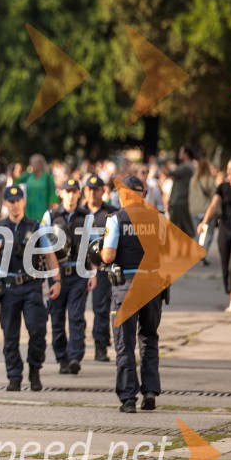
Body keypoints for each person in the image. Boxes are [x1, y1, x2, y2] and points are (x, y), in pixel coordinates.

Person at [0, 186, 62, 391]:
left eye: (18, 200)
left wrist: (57, 281)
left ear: (23, 202)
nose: (15, 204)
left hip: (32, 285)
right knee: (10, 336)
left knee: (37, 330)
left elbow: (49, 254)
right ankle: (14, 377)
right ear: (6, 203)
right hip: (8, 288)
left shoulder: (35, 226)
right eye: (11, 200)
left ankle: (34, 370)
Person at [101, 175, 163, 413]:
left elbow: (107, 256)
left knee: (124, 343)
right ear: (143, 194)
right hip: (153, 286)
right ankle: (149, 392)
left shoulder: (116, 219)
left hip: (127, 286)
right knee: (149, 337)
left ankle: (128, 398)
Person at [41, 179, 96, 375]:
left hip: (79, 273)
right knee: (56, 317)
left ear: (79, 194)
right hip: (56, 275)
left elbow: (94, 246)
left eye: (74, 192)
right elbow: (42, 246)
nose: (71, 195)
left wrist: (94, 272)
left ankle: (75, 356)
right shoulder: (50, 216)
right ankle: (62, 357)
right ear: (61, 193)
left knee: (76, 316)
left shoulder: (86, 216)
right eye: (68, 191)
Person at [82, 175, 117, 361]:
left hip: (102, 268)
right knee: (76, 311)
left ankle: (100, 346)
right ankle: (76, 348)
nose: (92, 192)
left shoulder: (112, 213)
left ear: (103, 191)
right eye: (89, 188)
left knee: (101, 308)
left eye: (96, 189)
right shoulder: (79, 213)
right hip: (80, 268)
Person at [198, 158, 231, 313]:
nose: (229, 171)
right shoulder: (223, 187)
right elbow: (213, 205)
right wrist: (204, 222)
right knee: (226, 265)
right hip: (225, 230)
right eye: (228, 168)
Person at [189, 158, 217, 265]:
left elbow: (190, 197)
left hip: (195, 211)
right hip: (207, 211)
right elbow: (215, 198)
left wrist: (191, 209)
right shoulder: (210, 180)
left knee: (197, 233)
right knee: (209, 234)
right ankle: (203, 253)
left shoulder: (193, 180)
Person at [16, 154, 59, 221]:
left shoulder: (48, 177)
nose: (32, 166)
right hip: (29, 208)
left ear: (40, 164)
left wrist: (52, 206)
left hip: (43, 208)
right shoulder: (29, 176)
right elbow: (17, 181)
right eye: (31, 164)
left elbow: (52, 193)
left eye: (34, 163)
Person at [166, 146, 195, 238]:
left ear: (186, 155)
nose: (179, 155)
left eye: (181, 153)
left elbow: (170, 173)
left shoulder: (186, 167)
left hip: (179, 201)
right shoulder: (189, 167)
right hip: (182, 201)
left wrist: (164, 165)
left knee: (177, 228)